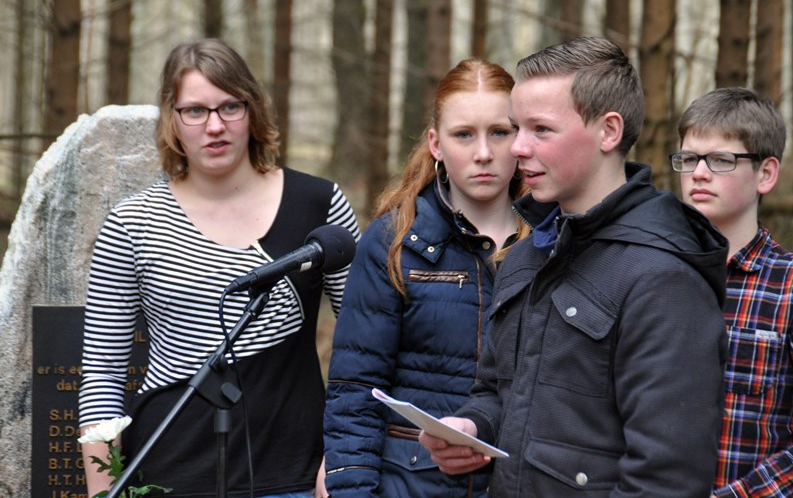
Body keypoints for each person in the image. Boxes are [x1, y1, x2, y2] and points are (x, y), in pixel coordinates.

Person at [418, 36, 730, 497]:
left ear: (608, 131)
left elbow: (667, 479)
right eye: (516, 127)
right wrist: (472, 430)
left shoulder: (663, 276)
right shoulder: (529, 254)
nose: (517, 148)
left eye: (541, 130)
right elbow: (500, 395)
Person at [78, 38, 360, 498]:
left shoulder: (319, 204)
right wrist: (103, 488)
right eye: (195, 110)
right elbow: (104, 372)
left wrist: (345, 454)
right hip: (167, 473)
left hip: (296, 475)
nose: (214, 126)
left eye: (230, 106)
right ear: (172, 118)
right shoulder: (131, 224)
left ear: (253, 110)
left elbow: (364, 344)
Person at [322, 58, 530, 497]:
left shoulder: (551, 239)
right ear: (436, 143)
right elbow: (355, 391)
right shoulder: (393, 240)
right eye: (463, 135)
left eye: (500, 132)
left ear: (522, 137)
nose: (483, 153)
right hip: (411, 483)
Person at [671, 87, 793, 497]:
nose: (698, 173)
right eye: (688, 159)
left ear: (766, 174)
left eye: (720, 160)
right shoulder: (654, 275)